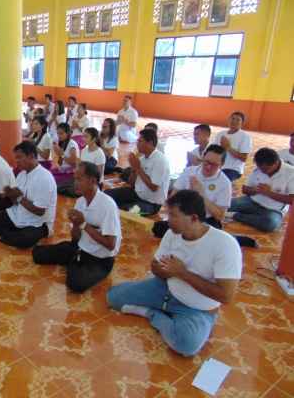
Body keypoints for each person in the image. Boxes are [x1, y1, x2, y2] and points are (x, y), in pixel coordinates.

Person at [107, 190, 242, 356]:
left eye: (173, 216)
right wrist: (165, 270)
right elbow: (155, 266)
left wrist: (183, 273)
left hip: (197, 308)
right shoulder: (172, 234)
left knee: (185, 344)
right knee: (113, 297)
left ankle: (151, 312)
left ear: (193, 218)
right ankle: (163, 309)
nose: (168, 220)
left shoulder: (224, 245)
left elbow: (226, 296)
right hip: (166, 289)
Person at [33, 162, 121, 293]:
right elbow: (76, 237)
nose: (75, 183)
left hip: (100, 259)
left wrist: (84, 224)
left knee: (76, 284)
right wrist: (75, 224)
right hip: (80, 248)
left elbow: (110, 245)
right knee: (37, 255)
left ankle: (73, 261)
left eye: (79, 179)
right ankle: (75, 260)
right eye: (75, 179)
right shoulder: (80, 202)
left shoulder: (107, 205)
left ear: (92, 181)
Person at [0, 140, 57, 249]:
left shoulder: (44, 179)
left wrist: (19, 197)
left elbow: (40, 211)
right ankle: (14, 234)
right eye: (16, 157)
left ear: (31, 157)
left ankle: (14, 234)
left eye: (19, 157)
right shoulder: (21, 174)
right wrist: (11, 195)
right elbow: (16, 203)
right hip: (19, 214)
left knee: (25, 239)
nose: (16, 161)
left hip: (39, 222)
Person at [153, 145, 231, 238]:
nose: (208, 166)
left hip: (206, 221)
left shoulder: (224, 183)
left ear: (222, 164)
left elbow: (219, 216)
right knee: (158, 227)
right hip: (186, 217)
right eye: (206, 162)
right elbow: (173, 195)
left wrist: (200, 195)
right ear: (203, 157)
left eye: (214, 164)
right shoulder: (190, 171)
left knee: (202, 237)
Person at [104, 128, 170, 215]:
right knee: (106, 195)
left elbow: (154, 187)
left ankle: (123, 207)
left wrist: (138, 168)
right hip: (136, 194)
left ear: (149, 143)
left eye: (140, 141)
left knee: (130, 211)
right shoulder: (142, 159)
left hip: (151, 203)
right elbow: (133, 184)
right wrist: (133, 168)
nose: (137, 143)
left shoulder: (160, 161)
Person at [226, 148, 294, 232]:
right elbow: (245, 189)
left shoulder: (291, 174)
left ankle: (234, 215)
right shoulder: (257, 169)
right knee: (221, 205)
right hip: (252, 201)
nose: (261, 171)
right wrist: (256, 190)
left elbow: (292, 200)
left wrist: (268, 193)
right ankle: (251, 216)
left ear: (276, 163)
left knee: (270, 224)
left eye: (265, 169)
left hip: (273, 209)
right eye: (259, 167)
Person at [213, 111, 251, 182]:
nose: (234, 121)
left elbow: (244, 158)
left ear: (242, 124)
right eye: (232, 119)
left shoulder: (244, 137)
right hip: (217, 166)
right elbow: (213, 150)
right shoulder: (221, 134)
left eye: (238, 120)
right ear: (229, 120)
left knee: (222, 182)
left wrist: (228, 147)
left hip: (232, 169)